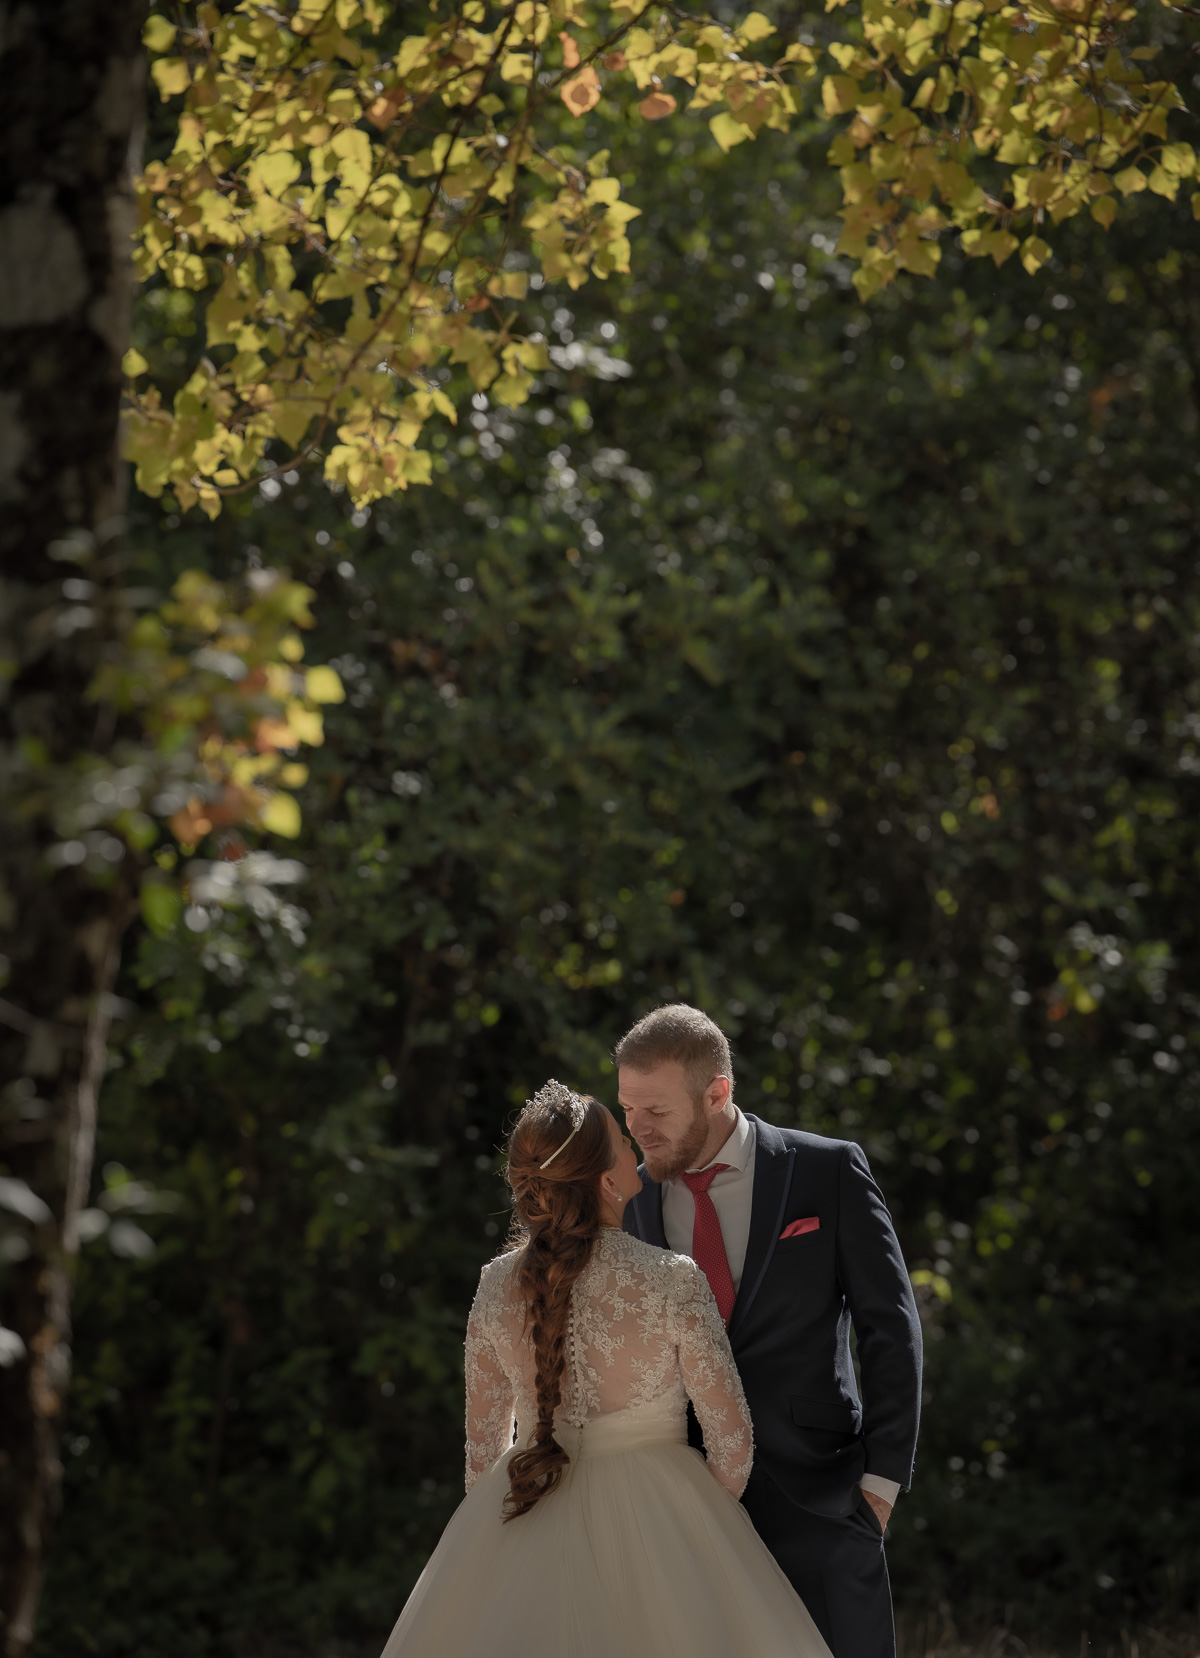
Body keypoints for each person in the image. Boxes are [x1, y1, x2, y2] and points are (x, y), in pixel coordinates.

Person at [378, 1079, 832, 1658]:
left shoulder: (495, 1286)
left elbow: (481, 1457)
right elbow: (733, 1443)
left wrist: (499, 1547)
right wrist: (693, 1527)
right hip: (662, 1522)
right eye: (621, 1137)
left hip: (526, 1508)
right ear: (606, 1179)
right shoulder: (673, 1279)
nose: (634, 1140)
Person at [619, 1004, 922, 1658]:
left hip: (821, 1494)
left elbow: (890, 1329)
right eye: (628, 1108)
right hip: (680, 1507)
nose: (637, 1127)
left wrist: (881, 1484)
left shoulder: (827, 1172)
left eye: (657, 1111)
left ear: (717, 1092)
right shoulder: (628, 1199)